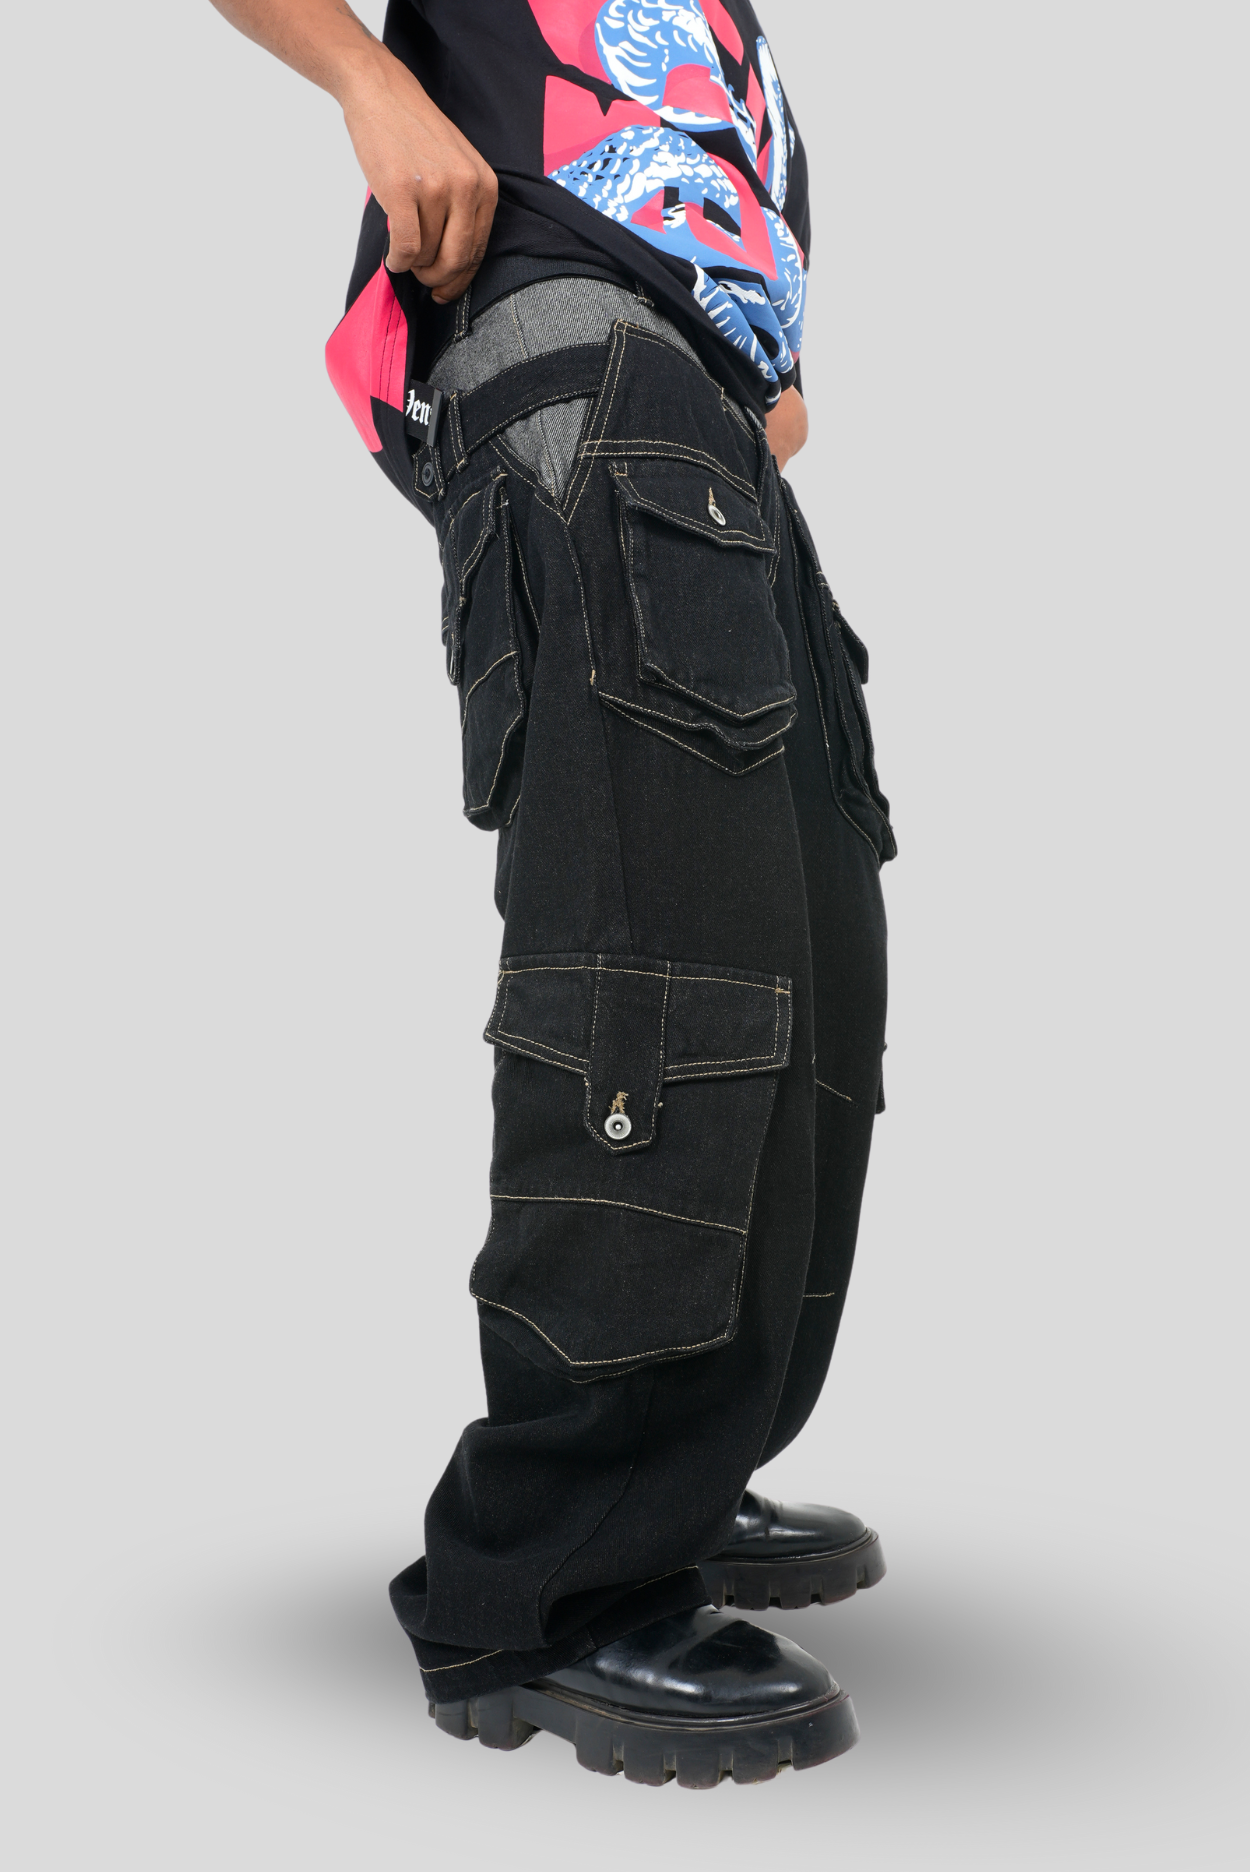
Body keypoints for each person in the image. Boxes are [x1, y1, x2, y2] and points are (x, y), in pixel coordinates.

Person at [210, 0, 895, 1788]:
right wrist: (373, 85)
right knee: (660, 968)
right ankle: (555, 1577)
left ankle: (684, 1461)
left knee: (807, 965)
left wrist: (759, 350)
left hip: (696, 403)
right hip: (577, 349)